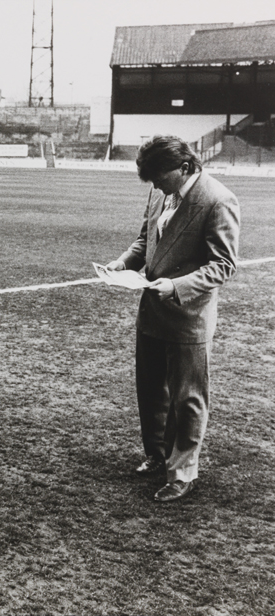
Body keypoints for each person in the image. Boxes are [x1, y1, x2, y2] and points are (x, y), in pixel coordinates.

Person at [105, 135, 240, 503]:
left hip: (187, 316)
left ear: (184, 167)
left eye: (161, 178)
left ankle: (183, 473)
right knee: (151, 392)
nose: (156, 186)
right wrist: (123, 263)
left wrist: (177, 286)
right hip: (151, 310)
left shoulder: (217, 200)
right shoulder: (160, 192)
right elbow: (145, 238)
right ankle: (157, 455)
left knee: (188, 399)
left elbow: (223, 266)